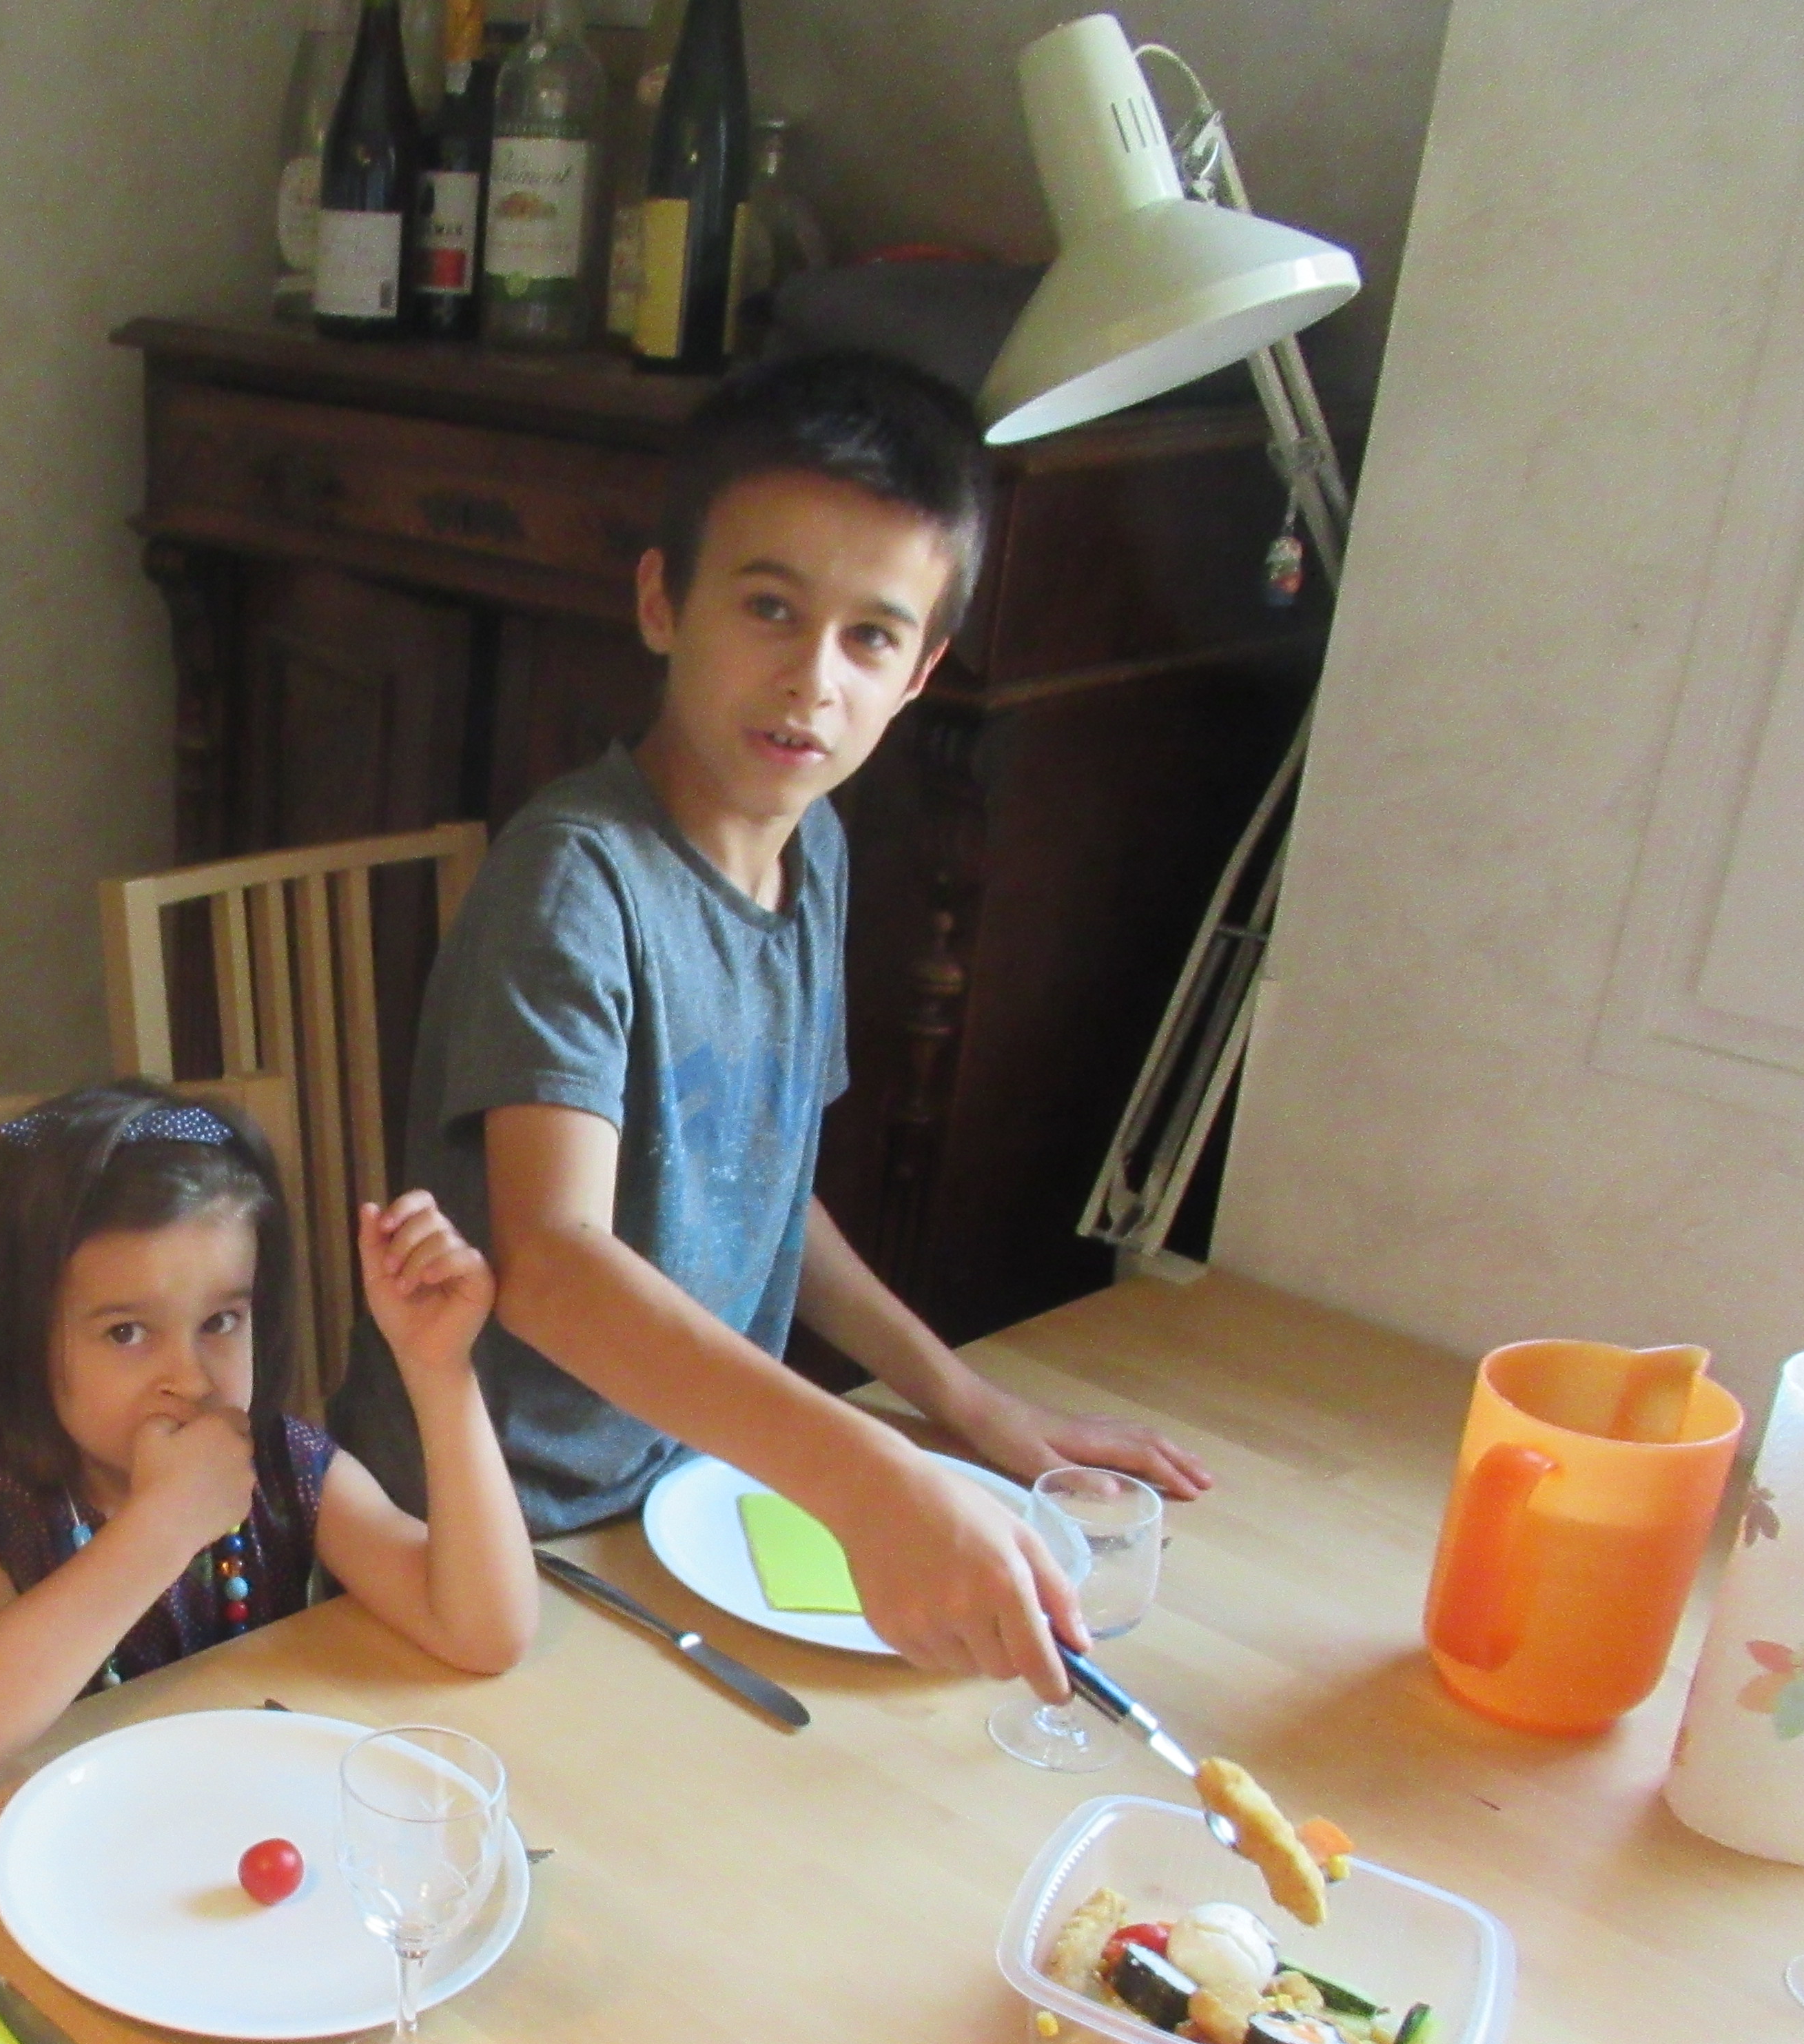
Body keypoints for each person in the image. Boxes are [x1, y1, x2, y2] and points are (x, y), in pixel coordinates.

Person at [327, 348, 1209, 1693]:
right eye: (769, 607)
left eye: (871, 636)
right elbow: (552, 1264)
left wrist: (968, 1408)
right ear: (661, 601)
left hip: (683, 1490)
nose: (813, 679)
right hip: (487, 1536)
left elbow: (764, 1186)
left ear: (919, 674)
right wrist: (871, 1475)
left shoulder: (815, 853)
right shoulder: (575, 879)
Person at [0, 1079, 535, 1796]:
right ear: (18, 1342)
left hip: (253, 1818)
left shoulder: (283, 1465)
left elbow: (486, 1633)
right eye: (126, 1332)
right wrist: (162, 1525)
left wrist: (439, 1369)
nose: (190, 1378)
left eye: (221, 1322)